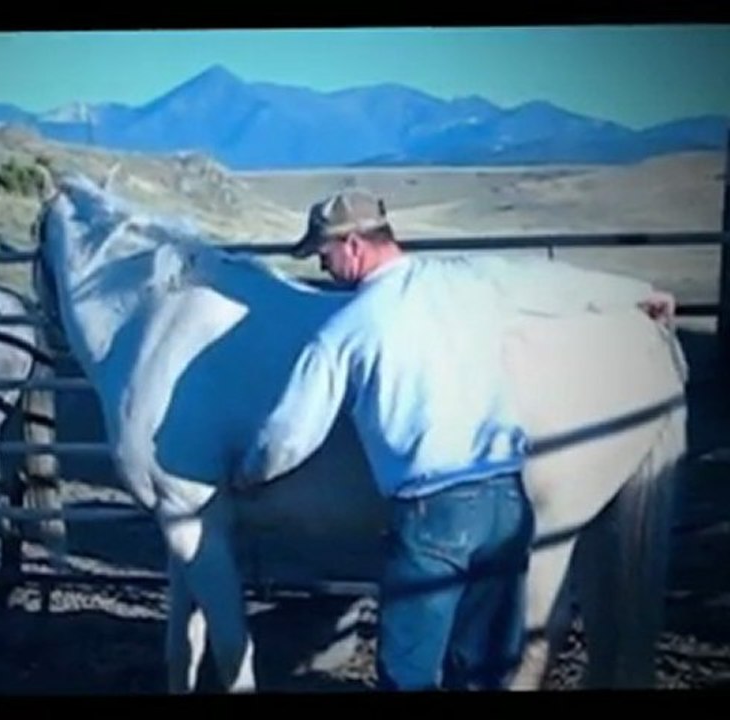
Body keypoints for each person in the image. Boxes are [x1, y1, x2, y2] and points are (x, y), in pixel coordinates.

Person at [232, 188, 677, 691]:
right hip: (507, 497)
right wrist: (636, 291)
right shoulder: (467, 278)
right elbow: (552, 282)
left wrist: (248, 475)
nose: (323, 266)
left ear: (353, 244)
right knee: (485, 665)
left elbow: (290, 434)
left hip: (432, 512)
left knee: (409, 669)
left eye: (324, 253)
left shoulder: (346, 329)